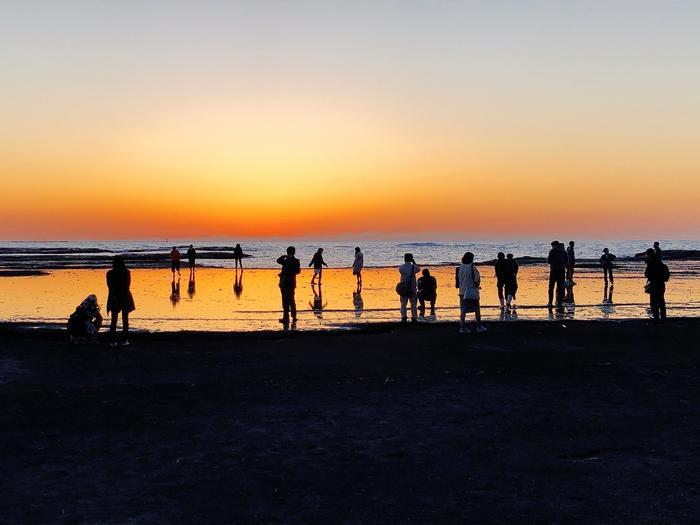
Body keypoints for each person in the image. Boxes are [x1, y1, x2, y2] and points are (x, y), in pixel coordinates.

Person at [106, 256, 135, 347]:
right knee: (125, 319)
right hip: (125, 297)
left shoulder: (110, 273)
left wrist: (113, 296)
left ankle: (113, 341)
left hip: (114, 297)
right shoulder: (126, 272)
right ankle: (124, 340)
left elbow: (110, 287)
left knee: (114, 320)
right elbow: (127, 286)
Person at [455, 252, 486, 333]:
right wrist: (477, 285)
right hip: (472, 291)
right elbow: (477, 280)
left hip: (462, 291)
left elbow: (459, 279)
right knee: (477, 309)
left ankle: (462, 327)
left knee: (463, 310)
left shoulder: (460, 267)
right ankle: (479, 326)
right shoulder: (473, 267)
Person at [277, 246, 301, 325]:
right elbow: (298, 271)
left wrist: (284, 256)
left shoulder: (286, 260)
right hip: (292, 282)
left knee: (285, 300)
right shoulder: (296, 261)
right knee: (292, 300)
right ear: (294, 252)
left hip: (284, 282)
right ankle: (294, 317)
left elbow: (278, 260)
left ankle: (286, 318)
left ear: (287, 252)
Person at [645, 248, 669, 323]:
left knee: (653, 302)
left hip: (654, 284)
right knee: (661, 301)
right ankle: (663, 318)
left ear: (648, 254)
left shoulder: (651, 263)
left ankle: (656, 318)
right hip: (661, 284)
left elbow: (647, 274)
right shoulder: (660, 262)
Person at [397, 253, 419, 323]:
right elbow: (418, 269)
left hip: (404, 287)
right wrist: (414, 262)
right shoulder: (414, 267)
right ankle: (414, 317)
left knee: (403, 303)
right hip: (412, 287)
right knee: (413, 303)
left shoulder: (401, 267)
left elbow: (401, 271)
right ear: (411, 259)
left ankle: (404, 317)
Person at [547, 241, 568, 306]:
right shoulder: (564, 252)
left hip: (554, 271)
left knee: (551, 287)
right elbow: (566, 261)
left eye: (552, 246)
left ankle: (550, 302)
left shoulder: (552, 251)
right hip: (561, 271)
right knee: (560, 287)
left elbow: (549, 261)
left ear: (554, 245)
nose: (552, 247)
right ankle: (560, 302)